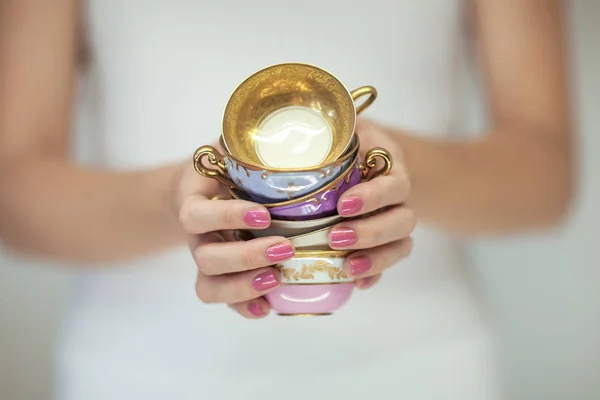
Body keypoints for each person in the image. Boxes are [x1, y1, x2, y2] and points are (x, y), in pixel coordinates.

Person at [0, 0, 573, 399]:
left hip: (422, 370)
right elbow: (15, 195)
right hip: (140, 375)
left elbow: (546, 176)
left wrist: (387, 174)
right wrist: (178, 201)